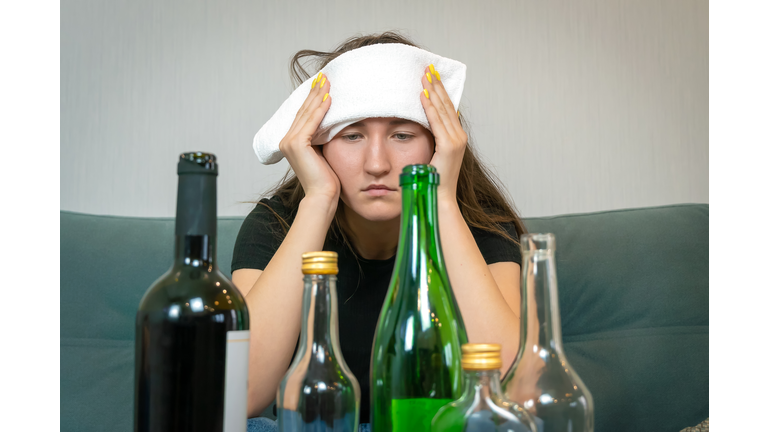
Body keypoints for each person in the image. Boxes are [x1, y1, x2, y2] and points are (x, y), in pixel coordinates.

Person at [233, 31, 527, 432]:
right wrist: (318, 198)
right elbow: (243, 395)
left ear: (440, 143)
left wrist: (437, 199)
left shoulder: (481, 225)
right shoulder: (275, 224)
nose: (376, 164)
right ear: (317, 147)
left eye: (402, 135)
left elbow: (513, 388)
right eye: (352, 135)